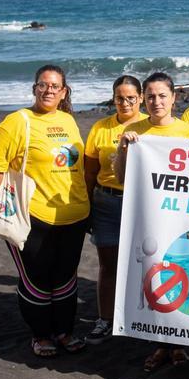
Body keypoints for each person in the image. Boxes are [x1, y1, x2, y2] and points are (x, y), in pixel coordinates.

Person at [0, 65, 90, 358]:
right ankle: (41, 335)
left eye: (55, 86)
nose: (48, 90)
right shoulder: (17, 121)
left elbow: (77, 167)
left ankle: (64, 332)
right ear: (34, 89)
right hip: (33, 218)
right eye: (43, 85)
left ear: (64, 92)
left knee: (65, 278)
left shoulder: (68, 120)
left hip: (74, 216)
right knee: (37, 280)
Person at [115, 72, 189, 372]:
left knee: (179, 275)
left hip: (180, 216)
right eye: (150, 96)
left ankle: (177, 344)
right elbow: (121, 176)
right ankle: (160, 344)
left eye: (162, 95)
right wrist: (123, 147)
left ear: (174, 98)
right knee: (153, 278)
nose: (156, 101)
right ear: (143, 99)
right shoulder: (134, 130)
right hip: (148, 217)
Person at [82, 74, 144, 344]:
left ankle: (142, 321)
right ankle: (105, 320)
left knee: (144, 264)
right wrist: (87, 206)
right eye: (120, 98)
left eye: (131, 98)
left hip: (140, 203)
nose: (125, 102)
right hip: (105, 202)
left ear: (140, 98)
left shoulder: (150, 125)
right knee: (108, 264)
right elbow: (89, 172)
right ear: (113, 99)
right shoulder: (100, 128)